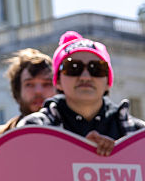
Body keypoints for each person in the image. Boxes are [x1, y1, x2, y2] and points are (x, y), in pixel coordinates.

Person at [17, 30, 145, 155]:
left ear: (108, 82)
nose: (85, 76)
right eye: (73, 68)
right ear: (58, 81)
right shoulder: (32, 128)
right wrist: (78, 154)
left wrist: (122, 154)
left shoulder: (138, 133)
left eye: (96, 68)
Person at [0, 48, 55, 141]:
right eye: (29, 84)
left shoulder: (71, 133)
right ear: (17, 90)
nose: (38, 91)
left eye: (46, 84)